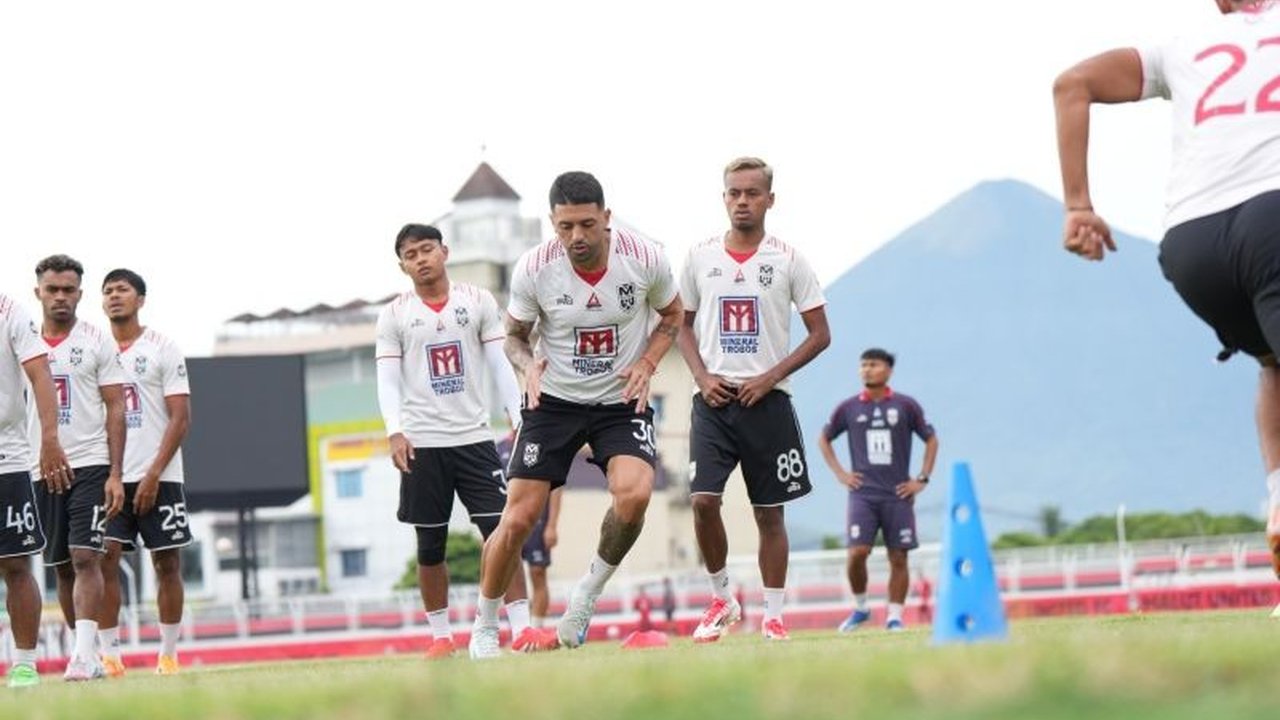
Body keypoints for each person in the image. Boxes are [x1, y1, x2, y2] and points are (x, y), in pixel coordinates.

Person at [1053, 0, 1280, 587]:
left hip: (1194, 244)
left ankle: (1279, 501)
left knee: (1271, 364)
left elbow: (1072, 83)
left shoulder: (1181, 43)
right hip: (1274, 215)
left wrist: (1078, 204)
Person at [468, 170, 683, 659]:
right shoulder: (534, 268)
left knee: (635, 496)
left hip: (618, 399)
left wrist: (648, 363)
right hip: (554, 401)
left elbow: (673, 316)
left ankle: (585, 596)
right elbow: (515, 337)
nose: (577, 237)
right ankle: (484, 626)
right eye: (565, 227)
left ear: (607, 218)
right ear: (552, 223)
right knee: (518, 517)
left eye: (587, 224)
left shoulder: (645, 258)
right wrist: (528, 366)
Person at [375, 223, 550, 658]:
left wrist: (518, 417)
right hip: (422, 443)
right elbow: (388, 380)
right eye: (411, 254)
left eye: (427, 249)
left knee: (503, 533)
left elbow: (498, 363)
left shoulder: (477, 302)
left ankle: (522, 630)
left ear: (444, 251)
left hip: (475, 439)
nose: (421, 259)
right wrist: (394, 430)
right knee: (430, 545)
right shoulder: (394, 314)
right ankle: (441, 638)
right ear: (402, 265)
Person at [677, 156, 831, 642]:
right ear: (724, 198)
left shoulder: (787, 259)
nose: (742, 201)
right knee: (702, 502)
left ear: (769, 199)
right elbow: (680, 326)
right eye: (733, 193)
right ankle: (722, 598)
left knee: (770, 514)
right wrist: (702, 378)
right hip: (714, 403)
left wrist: (770, 376)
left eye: (751, 193)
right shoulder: (700, 257)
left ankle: (773, 615)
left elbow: (820, 334)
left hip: (768, 404)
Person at [26, 255, 126, 680]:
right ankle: (83, 650)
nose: (61, 297)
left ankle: (86, 657)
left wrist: (116, 473)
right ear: (39, 293)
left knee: (86, 556)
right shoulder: (21, 340)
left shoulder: (96, 341)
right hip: (38, 468)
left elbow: (117, 406)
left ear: (80, 294)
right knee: (62, 566)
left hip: (89, 462)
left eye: (69, 290)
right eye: (53, 289)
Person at [98, 269, 193, 676]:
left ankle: (168, 655)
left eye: (122, 290)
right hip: (108, 476)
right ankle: (109, 656)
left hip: (161, 475)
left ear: (140, 299)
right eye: (108, 292)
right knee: (105, 559)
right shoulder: (95, 349)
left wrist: (154, 473)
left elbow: (181, 417)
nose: (114, 296)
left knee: (166, 563)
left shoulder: (162, 347)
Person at [819, 348, 938, 631]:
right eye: (863, 365)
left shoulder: (905, 406)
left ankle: (895, 617)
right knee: (857, 552)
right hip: (863, 494)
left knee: (899, 556)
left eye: (873, 365)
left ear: (888, 370)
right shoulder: (848, 408)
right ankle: (861, 608)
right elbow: (824, 438)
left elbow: (931, 440)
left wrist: (921, 479)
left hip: (898, 494)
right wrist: (841, 474)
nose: (867, 370)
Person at [1, 292, 70, 688]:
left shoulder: (10, 311)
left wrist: (49, 439)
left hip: (5, 455)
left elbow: (41, 373)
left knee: (15, 564)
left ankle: (24, 664)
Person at [521, 485, 562, 629]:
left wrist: (552, 525)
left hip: (537, 523)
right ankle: (518, 628)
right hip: (510, 520)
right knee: (510, 576)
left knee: (537, 572)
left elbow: (556, 489)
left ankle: (536, 628)